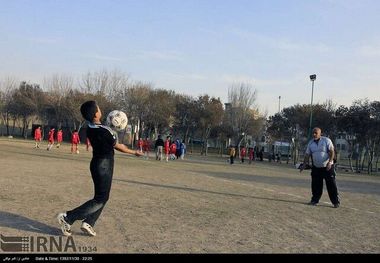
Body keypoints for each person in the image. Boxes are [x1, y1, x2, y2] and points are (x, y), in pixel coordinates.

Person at [57, 100, 143, 237]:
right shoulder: (106, 131)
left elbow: (105, 133)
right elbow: (119, 146)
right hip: (104, 165)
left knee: (102, 196)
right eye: (98, 108)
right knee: (100, 199)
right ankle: (68, 217)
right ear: (96, 114)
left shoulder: (90, 127)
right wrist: (134, 152)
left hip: (96, 163)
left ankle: (89, 222)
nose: (100, 109)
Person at [300, 127, 340, 208]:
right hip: (316, 168)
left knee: (331, 185)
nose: (314, 134)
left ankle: (335, 202)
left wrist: (330, 163)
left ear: (320, 133)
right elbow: (307, 155)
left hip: (327, 167)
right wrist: (304, 165)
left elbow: (332, 152)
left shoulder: (326, 140)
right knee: (315, 185)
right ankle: (314, 200)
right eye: (313, 133)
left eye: (316, 133)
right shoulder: (310, 143)